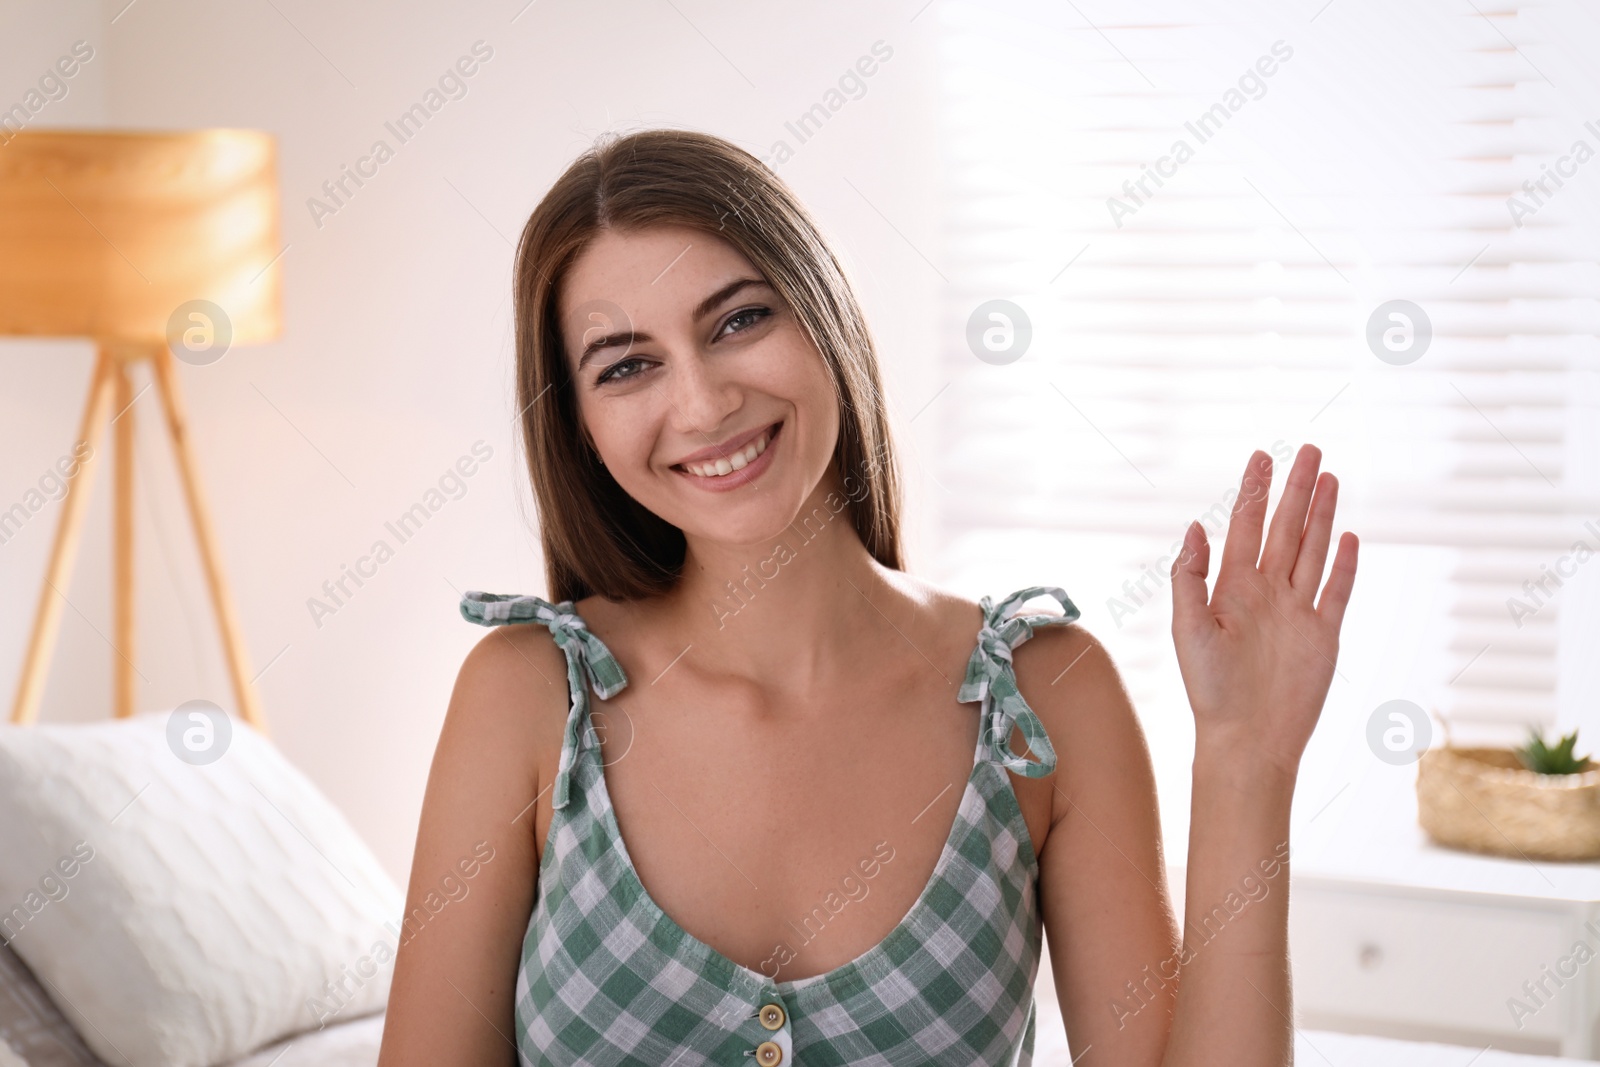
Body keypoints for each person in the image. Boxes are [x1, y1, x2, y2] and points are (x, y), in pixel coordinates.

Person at [377, 128, 1358, 1066]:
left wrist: (1247, 759)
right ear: (581, 423)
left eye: (740, 319)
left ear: (824, 316)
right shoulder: (525, 695)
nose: (705, 401)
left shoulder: (1045, 696)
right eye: (628, 365)